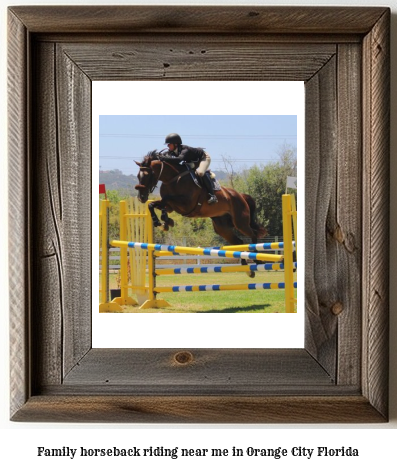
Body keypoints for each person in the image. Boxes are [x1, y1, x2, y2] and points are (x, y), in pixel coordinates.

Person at [160, 133, 218, 204]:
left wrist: (164, 158)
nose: (168, 146)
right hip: (193, 161)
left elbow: (179, 159)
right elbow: (165, 156)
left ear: (175, 144)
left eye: (169, 144)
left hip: (203, 158)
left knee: (200, 173)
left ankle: (212, 195)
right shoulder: (173, 150)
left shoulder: (185, 150)